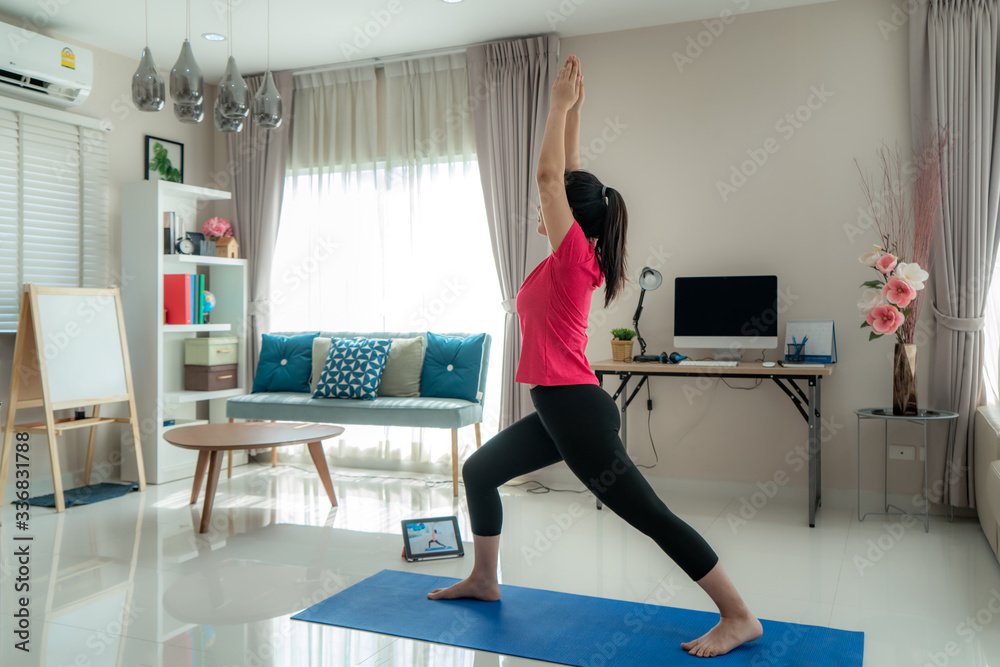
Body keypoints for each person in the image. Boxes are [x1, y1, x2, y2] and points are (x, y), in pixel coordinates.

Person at [428, 55, 762, 659]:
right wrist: (576, 110)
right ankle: (484, 579)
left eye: (554, 207)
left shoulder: (575, 256)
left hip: (575, 412)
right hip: (563, 408)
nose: (542, 208)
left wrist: (555, 108)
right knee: (480, 472)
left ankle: (738, 615)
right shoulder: (576, 253)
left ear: (573, 221)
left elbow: (551, 181)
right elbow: (572, 179)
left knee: (650, 516)